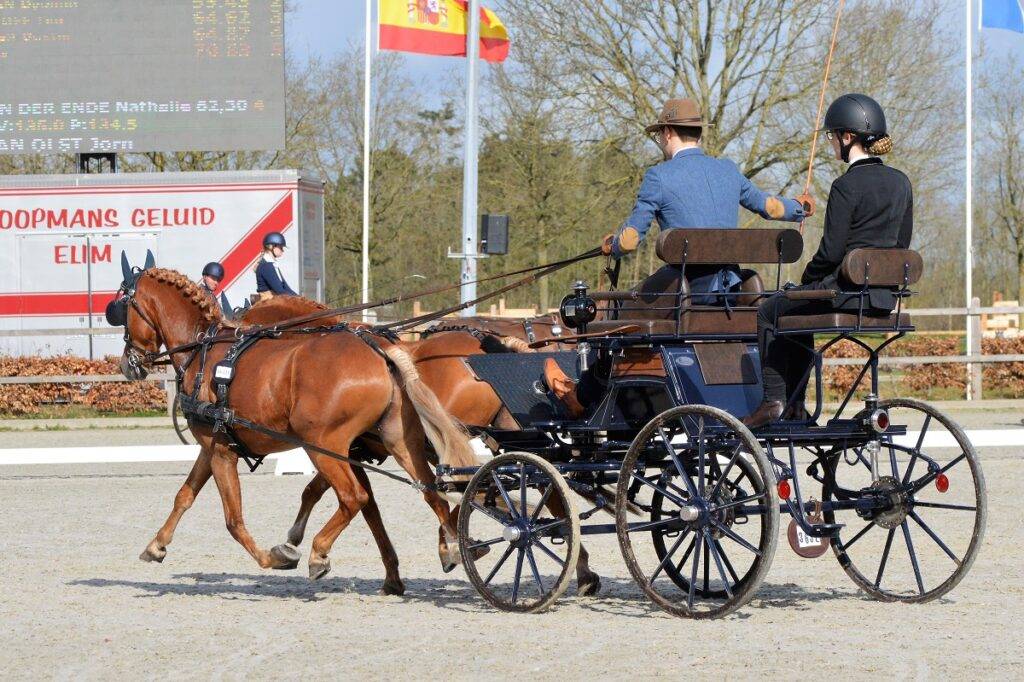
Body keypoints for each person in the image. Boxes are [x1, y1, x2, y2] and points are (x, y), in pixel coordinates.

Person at [544, 97, 814, 416]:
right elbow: (771, 207)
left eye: (660, 134)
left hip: (684, 294)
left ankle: (583, 396)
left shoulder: (659, 177)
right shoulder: (728, 170)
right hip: (730, 293)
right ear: (698, 133)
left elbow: (630, 240)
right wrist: (800, 206)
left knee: (618, 314)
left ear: (668, 132)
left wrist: (611, 246)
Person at [742, 93, 912, 429]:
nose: (832, 143)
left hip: (845, 293)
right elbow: (902, 245)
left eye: (833, 136)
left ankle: (774, 401)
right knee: (798, 307)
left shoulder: (845, 185)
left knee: (770, 310)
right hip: (882, 298)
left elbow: (831, 253)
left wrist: (807, 279)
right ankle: (795, 406)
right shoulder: (901, 182)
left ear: (848, 137)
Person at [255, 232, 298, 299]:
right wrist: (299, 301)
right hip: (269, 302)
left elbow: (286, 287)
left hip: (275, 300)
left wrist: (302, 299)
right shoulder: (266, 266)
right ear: (271, 246)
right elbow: (279, 291)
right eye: (281, 247)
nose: (283, 250)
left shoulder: (272, 264)